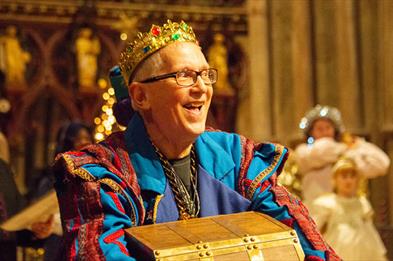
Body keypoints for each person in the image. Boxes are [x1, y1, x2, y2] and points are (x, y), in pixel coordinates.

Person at [53, 20, 339, 260]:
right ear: (141, 96)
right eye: (185, 76)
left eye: (205, 75)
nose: (202, 88)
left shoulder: (240, 158)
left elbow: (300, 235)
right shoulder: (101, 172)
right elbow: (99, 253)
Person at [294, 105, 390, 206]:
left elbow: (382, 164)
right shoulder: (304, 150)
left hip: (346, 210)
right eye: (319, 128)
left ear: (335, 130)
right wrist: (346, 147)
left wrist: (360, 145)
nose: (325, 132)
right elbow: (321, 152)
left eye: (328, 127)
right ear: (311, 132)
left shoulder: (347, 150)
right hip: (316, 210)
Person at [310, 157, 387, 261]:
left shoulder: (362, 204)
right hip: (338, 250)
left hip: (363, 252)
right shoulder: (327, 204)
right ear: (335, 179)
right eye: (344, 176)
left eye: (352, 176)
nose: (348, 180)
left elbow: (371, 232)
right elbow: (314, 233)